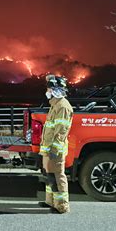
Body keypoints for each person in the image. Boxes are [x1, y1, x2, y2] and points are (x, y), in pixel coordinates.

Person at [38, 75, 73, 214]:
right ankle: (51, 201)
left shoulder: (63, 106)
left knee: (58, 176)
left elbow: (62, 130)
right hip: (48, 149)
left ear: (57, 90)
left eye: (50, 89)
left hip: (55, 150)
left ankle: (62, 206)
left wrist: (55, 148)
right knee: (49, 175)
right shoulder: (55, 104)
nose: (47, 91)